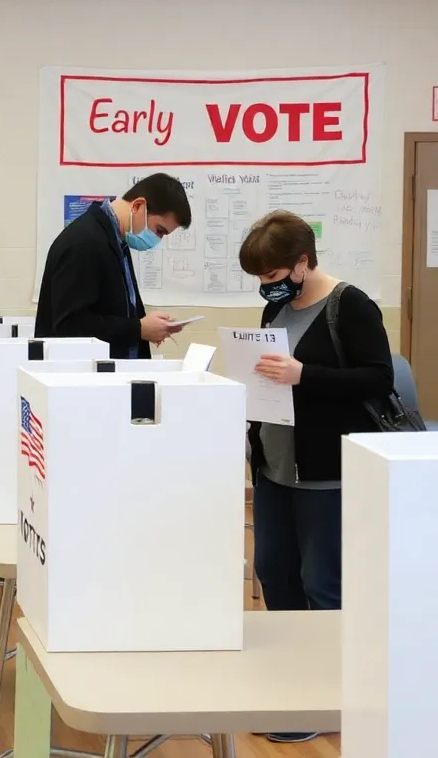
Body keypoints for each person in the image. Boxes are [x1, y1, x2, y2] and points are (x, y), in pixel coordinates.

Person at [238, 210, 392, 745]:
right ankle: (290, 687)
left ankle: (333, 697)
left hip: (328, 470)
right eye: (259, 278)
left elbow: (377, 378)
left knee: (321, 583)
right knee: (273, 570)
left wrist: (307, 375)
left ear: (303, 263)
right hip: (276, 465)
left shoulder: (350, 305)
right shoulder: (275, 310)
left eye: (273, 276)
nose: (265, 287)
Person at [35, 173, 192, 358]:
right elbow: (70, 325)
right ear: (138, 206)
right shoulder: (84, 242)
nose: (157, 240)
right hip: (81, 375)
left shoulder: (116, 240)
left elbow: (110, 310)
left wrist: (146, 325)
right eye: (159, 230)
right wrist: (138, 329)